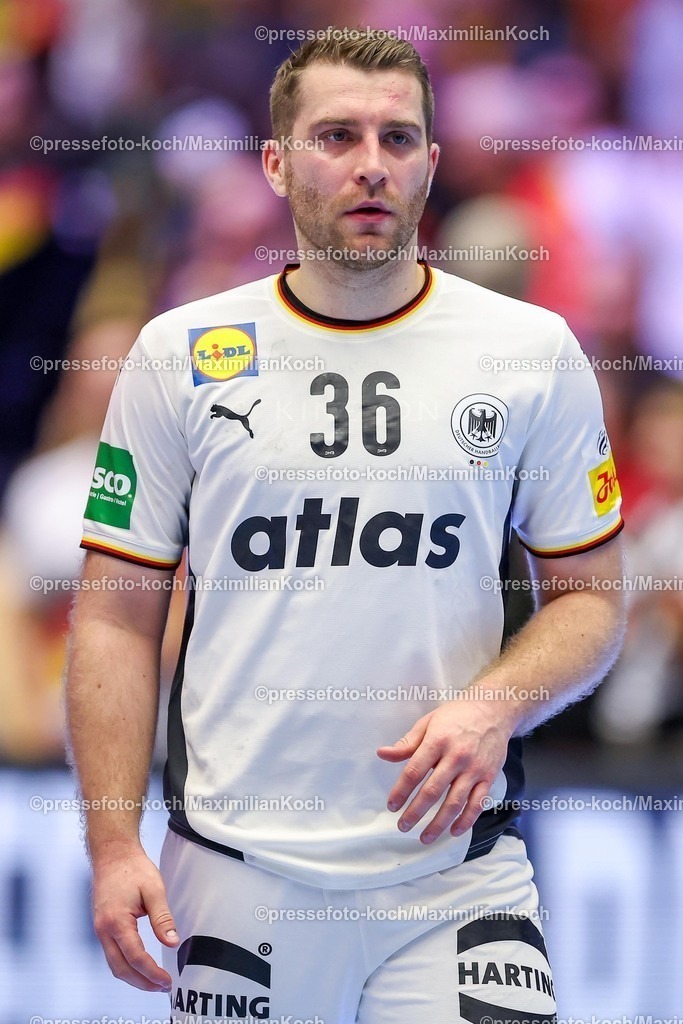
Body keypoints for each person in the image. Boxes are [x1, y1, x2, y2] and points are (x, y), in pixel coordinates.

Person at [66, 29, 626, 1023]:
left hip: (457, 866)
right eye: (335, 135)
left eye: (397, 138)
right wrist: (113, 845)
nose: (370, 164)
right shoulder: (179, 354)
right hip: (241, 867)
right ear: (276, 163)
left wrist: (492, 707)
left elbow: (589, 600)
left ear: (430, 164)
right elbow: (112, 616)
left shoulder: (528, 349)